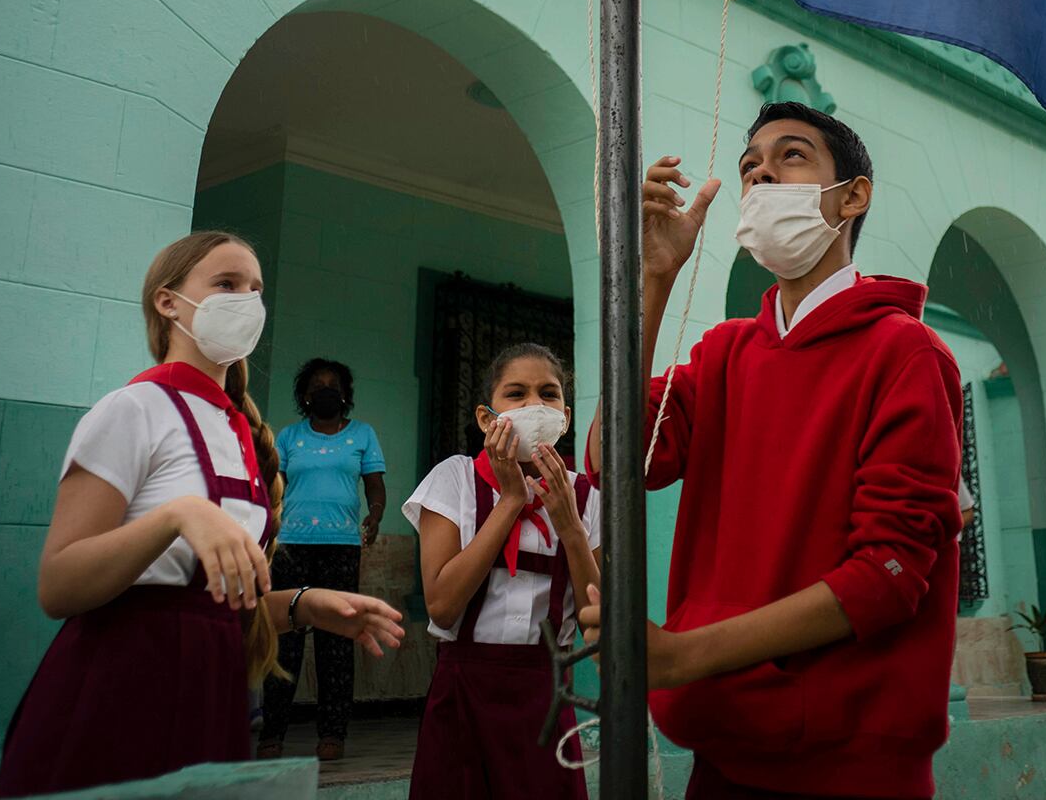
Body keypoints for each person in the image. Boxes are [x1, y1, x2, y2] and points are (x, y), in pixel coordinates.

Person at [583, 102, 964, 800]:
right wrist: (655, 279)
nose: (761, 173)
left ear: (851, 196)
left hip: (851, 766)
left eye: (791, 156)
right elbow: (614, 462)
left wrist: (678, 654)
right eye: (749, 166)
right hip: (723, 749)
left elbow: (888, 572)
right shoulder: (726, 352)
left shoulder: (905, 352)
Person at [0, 232, 405, 797]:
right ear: (168, 302)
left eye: (256, 289)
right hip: (120, 694)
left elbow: (210, 607)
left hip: (214, 698)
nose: (246, 300)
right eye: (226, 284)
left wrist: (306, 606)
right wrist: (176, 515)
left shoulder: (241, 432)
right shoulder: (133, 410)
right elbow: (59, 585)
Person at [403, 343, 601, 800]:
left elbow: (602, 616)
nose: (534, 405)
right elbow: (443, 605)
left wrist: (570, 526)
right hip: (464, 693)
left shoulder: (586, 496)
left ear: (565, 417)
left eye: (548, 394)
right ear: (487, 418)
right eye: (516, 393)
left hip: (547, 698)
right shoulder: (454, 479)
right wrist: (511, 501)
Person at [259, 357, 389, 761]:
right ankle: (271, 734)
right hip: (291, 547)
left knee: (337, 641)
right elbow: (271, 485)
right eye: (317, 385)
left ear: (345, 394)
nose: (325, 390)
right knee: (284, 642)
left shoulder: (363, 435)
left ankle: (333, 733)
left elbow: (375, 486)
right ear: (304, 395)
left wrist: (376, 514)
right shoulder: (288, 437)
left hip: (341, 547)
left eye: (333, 384)